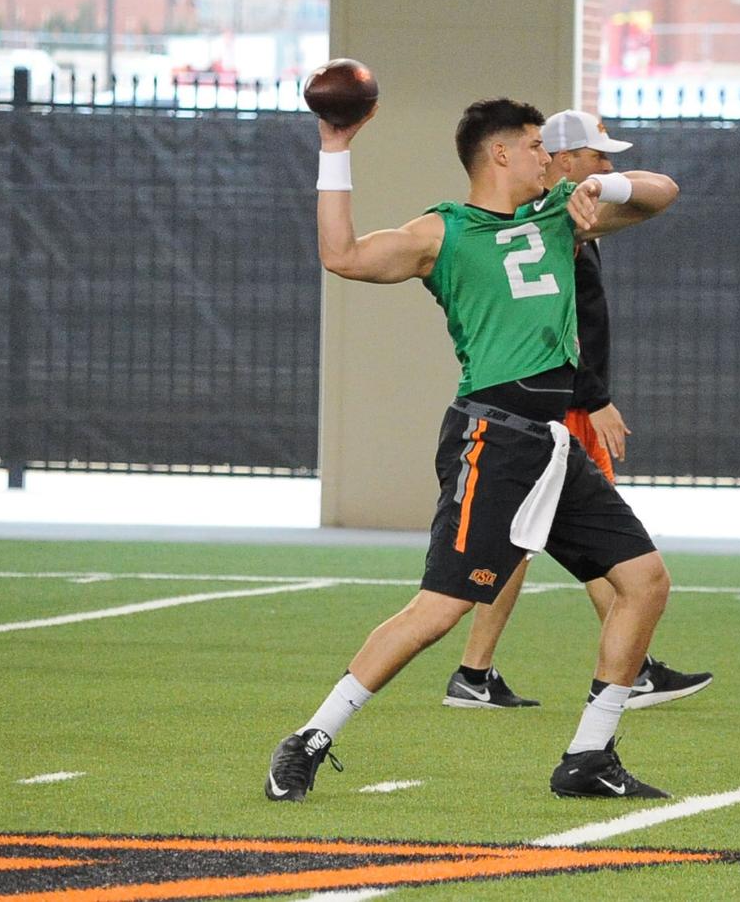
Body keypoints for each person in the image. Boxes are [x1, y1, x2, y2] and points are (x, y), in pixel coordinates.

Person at [264, 98, 680, 804]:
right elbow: (343, 255)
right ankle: (310, 737)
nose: (548, 158)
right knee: (439, 609)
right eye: (533, 147)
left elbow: (662, 191)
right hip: (493, 436)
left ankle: (588, 757)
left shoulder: (559, 215)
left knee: (644, 581)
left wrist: (601, 186)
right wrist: (336, 146)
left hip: (552, 442)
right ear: (498, 155)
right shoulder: (444, 231)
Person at [443, 110, 713, 711]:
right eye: (598, 158)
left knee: (528, 537)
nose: (608, 166)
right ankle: (625, 669)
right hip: (551, 411)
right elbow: (562, 330)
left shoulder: (573, 215)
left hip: (558, 406)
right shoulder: (544, 226)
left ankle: (477, 671)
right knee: (600, 546)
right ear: (561, 160)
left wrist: (604, 188)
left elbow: (658, 189)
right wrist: (594, 400)